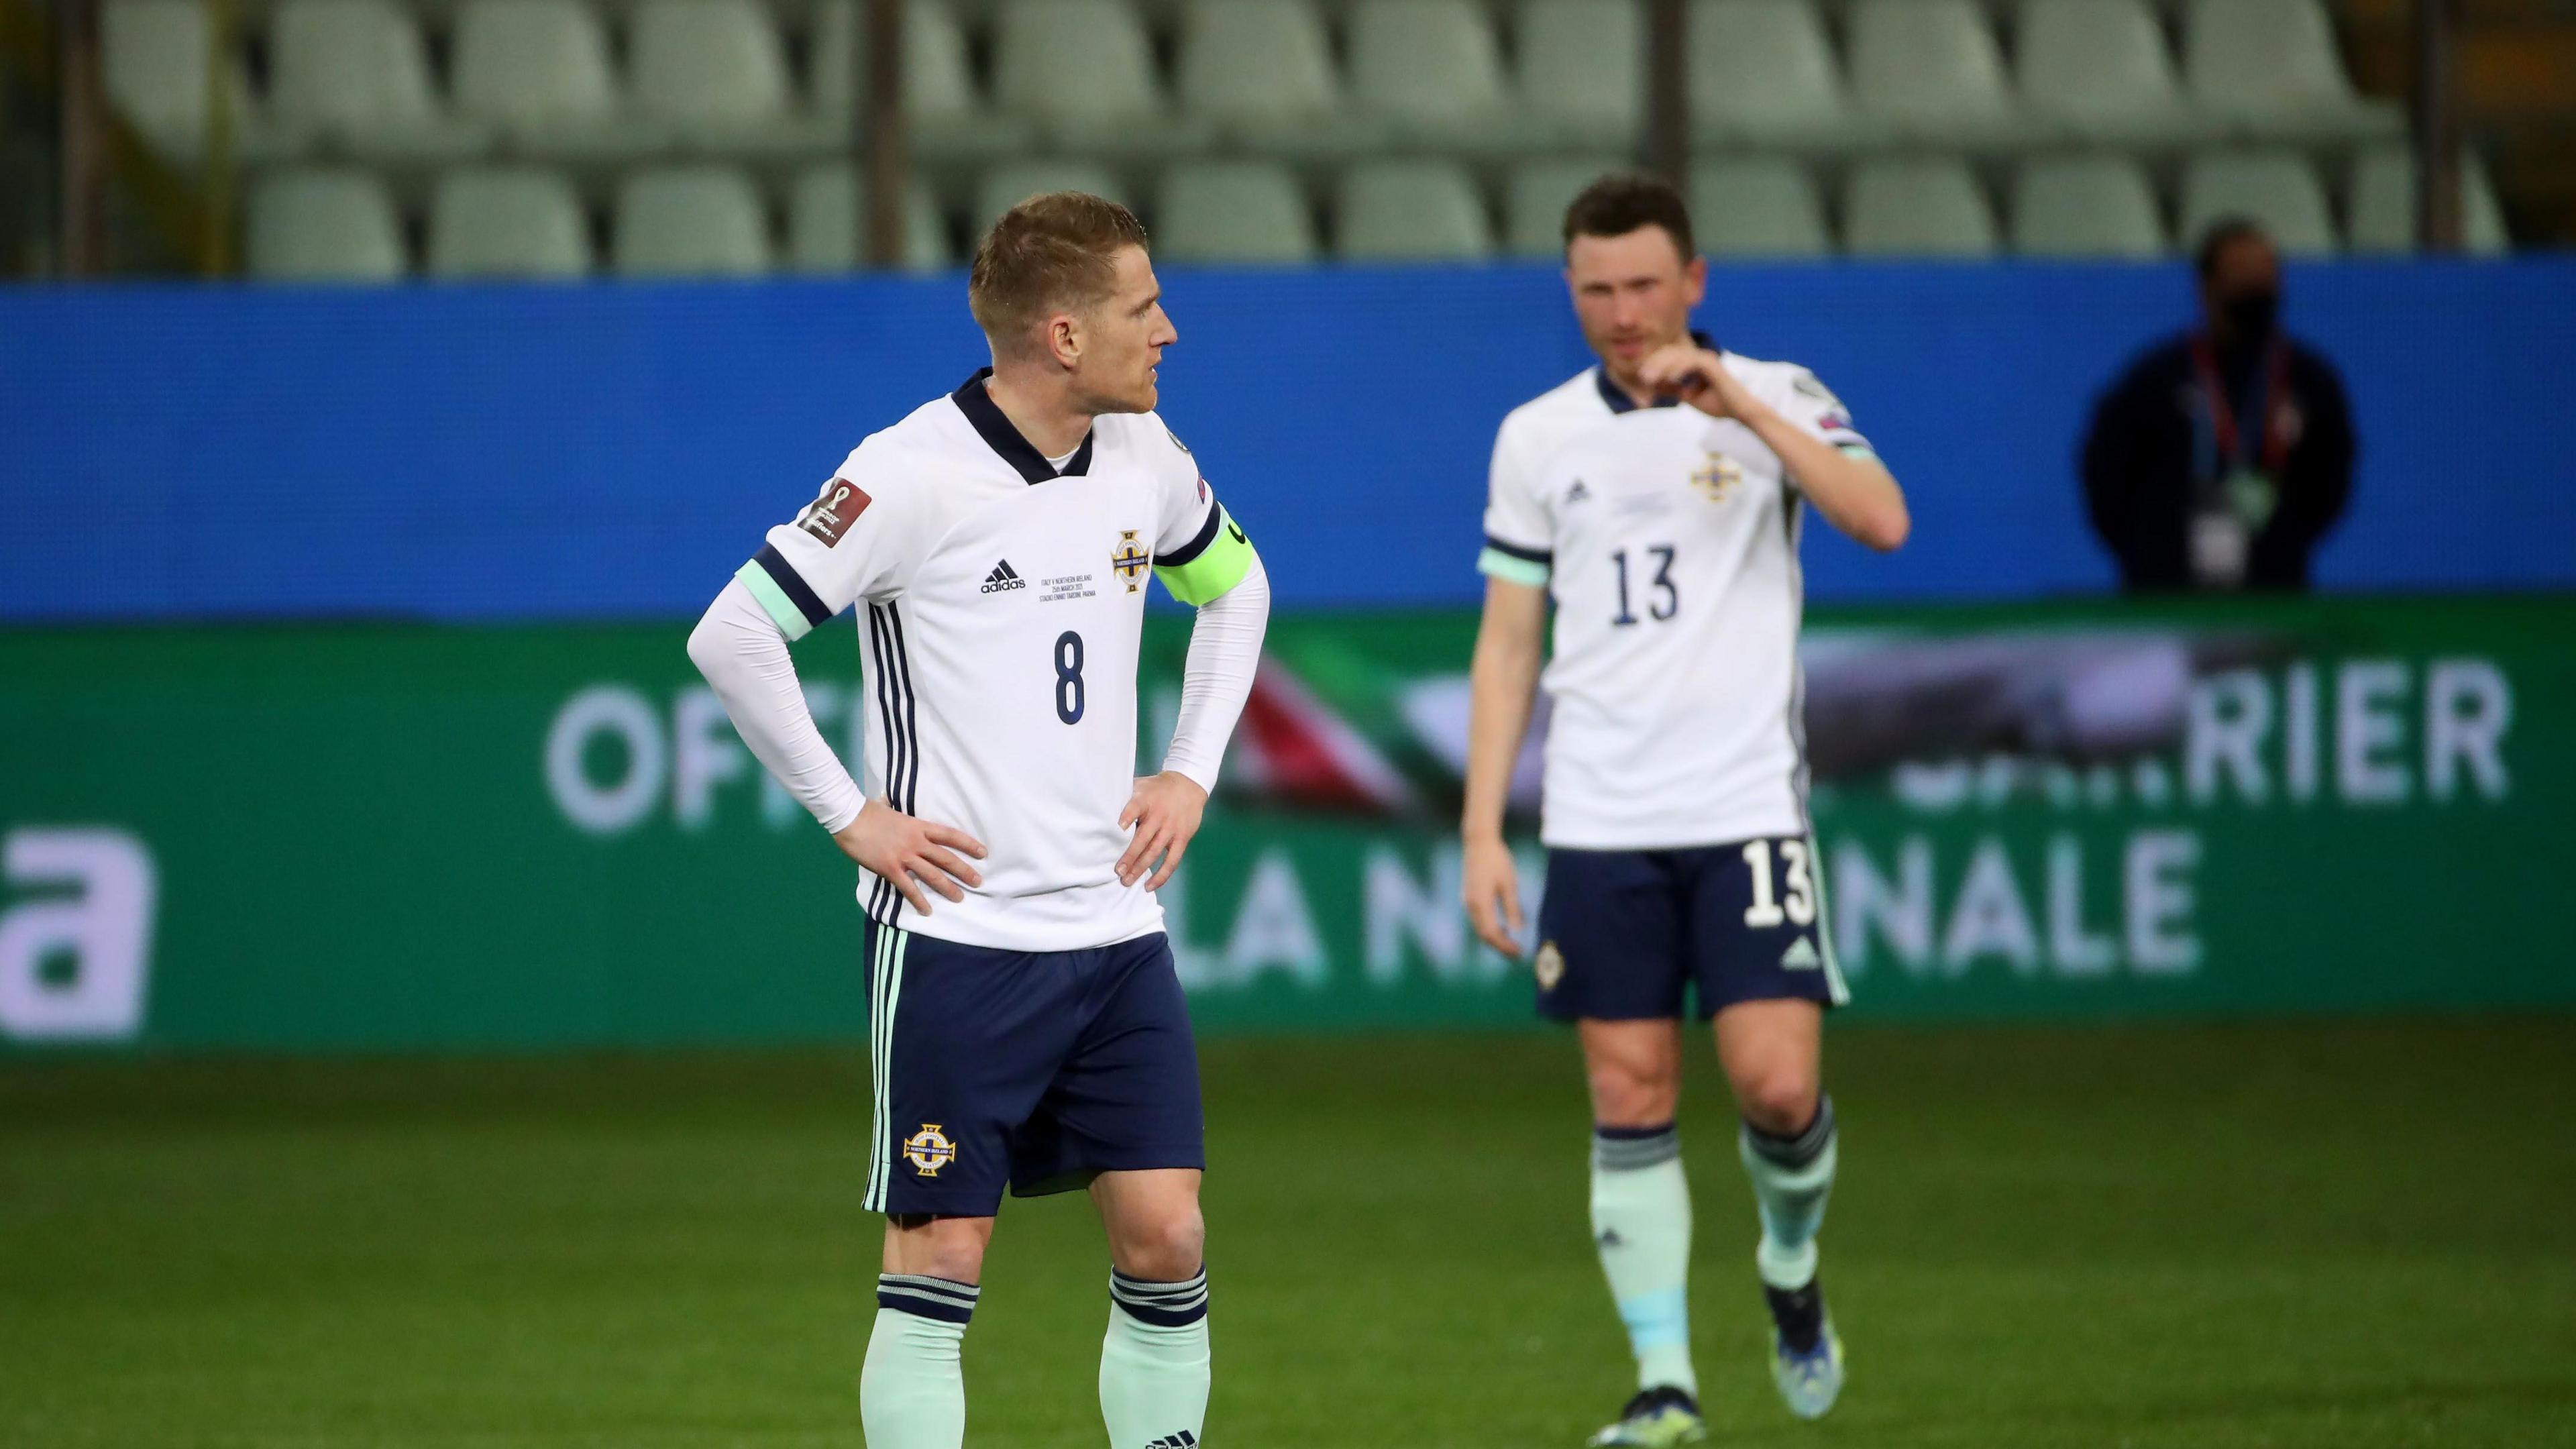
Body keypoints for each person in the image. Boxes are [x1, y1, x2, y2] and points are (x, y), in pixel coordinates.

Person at [685, 192, 1269, 1449]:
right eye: (1142, 305)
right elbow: (732, 634)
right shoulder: (906, 474)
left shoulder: (1145, 459)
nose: (1168, 330)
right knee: (943, 1250)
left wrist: (1190, 771)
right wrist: (853, 816)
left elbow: (1237, 589)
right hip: (959, 938)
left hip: (1114, 933)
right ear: (1063, 333)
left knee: (1169, 1235)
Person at [1460, 174, 1911, 1448]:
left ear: (1695, 282)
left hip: (1745, 806)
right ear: (1571, 293)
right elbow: (1508, 645)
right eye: (1596, 288)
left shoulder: (1781, 393)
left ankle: (1788, 1261)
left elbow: (1882, 521)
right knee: (1630, 1087)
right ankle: (1667, 1388)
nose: (1621, 310)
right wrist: (1484, 825)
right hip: (1600, 814)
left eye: (1645, 283)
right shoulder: (1538, 437)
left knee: (1774, 1090)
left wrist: (1746, 409)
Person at [2082, 218, 2357, 592]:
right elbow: (2106, 477)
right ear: (2207, 286)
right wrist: (2151, 546)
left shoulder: (2308, 382)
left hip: (2273, 590)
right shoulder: (2156, 379)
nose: (2256, 289)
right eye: (2242, 276)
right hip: (2167, 591)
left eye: (2266, 276)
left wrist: (2283, 535)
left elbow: (2330, 481)